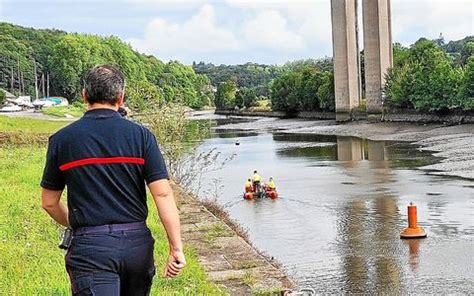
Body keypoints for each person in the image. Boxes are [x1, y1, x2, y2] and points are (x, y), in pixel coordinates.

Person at [40, 65, 185, 295]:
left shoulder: (62, 140)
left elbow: (49, 202)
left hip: (90, 250)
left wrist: (77, 225)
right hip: (137, 247)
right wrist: (176, 247)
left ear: (84, 96)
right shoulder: (142, 137)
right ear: (121, 97)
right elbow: (163, 193)